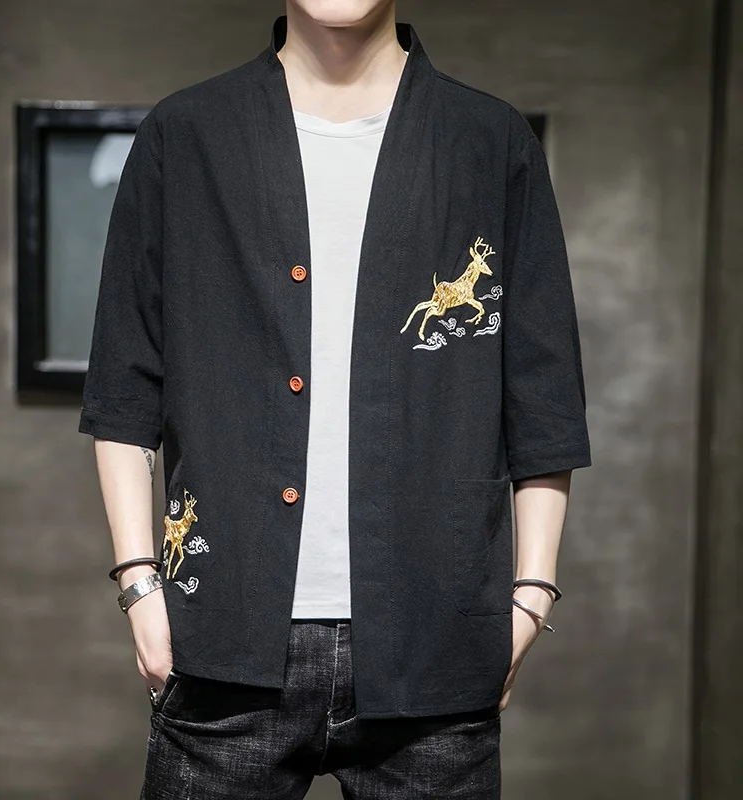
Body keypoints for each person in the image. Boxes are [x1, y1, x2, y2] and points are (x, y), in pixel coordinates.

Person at [79, 2, 591, 797]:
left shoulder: (490, 143)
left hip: (437, 650)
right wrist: (141, 587)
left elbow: (543, 396)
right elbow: (124, 385)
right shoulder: (186, 137)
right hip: (222, 641)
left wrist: (529, 597)